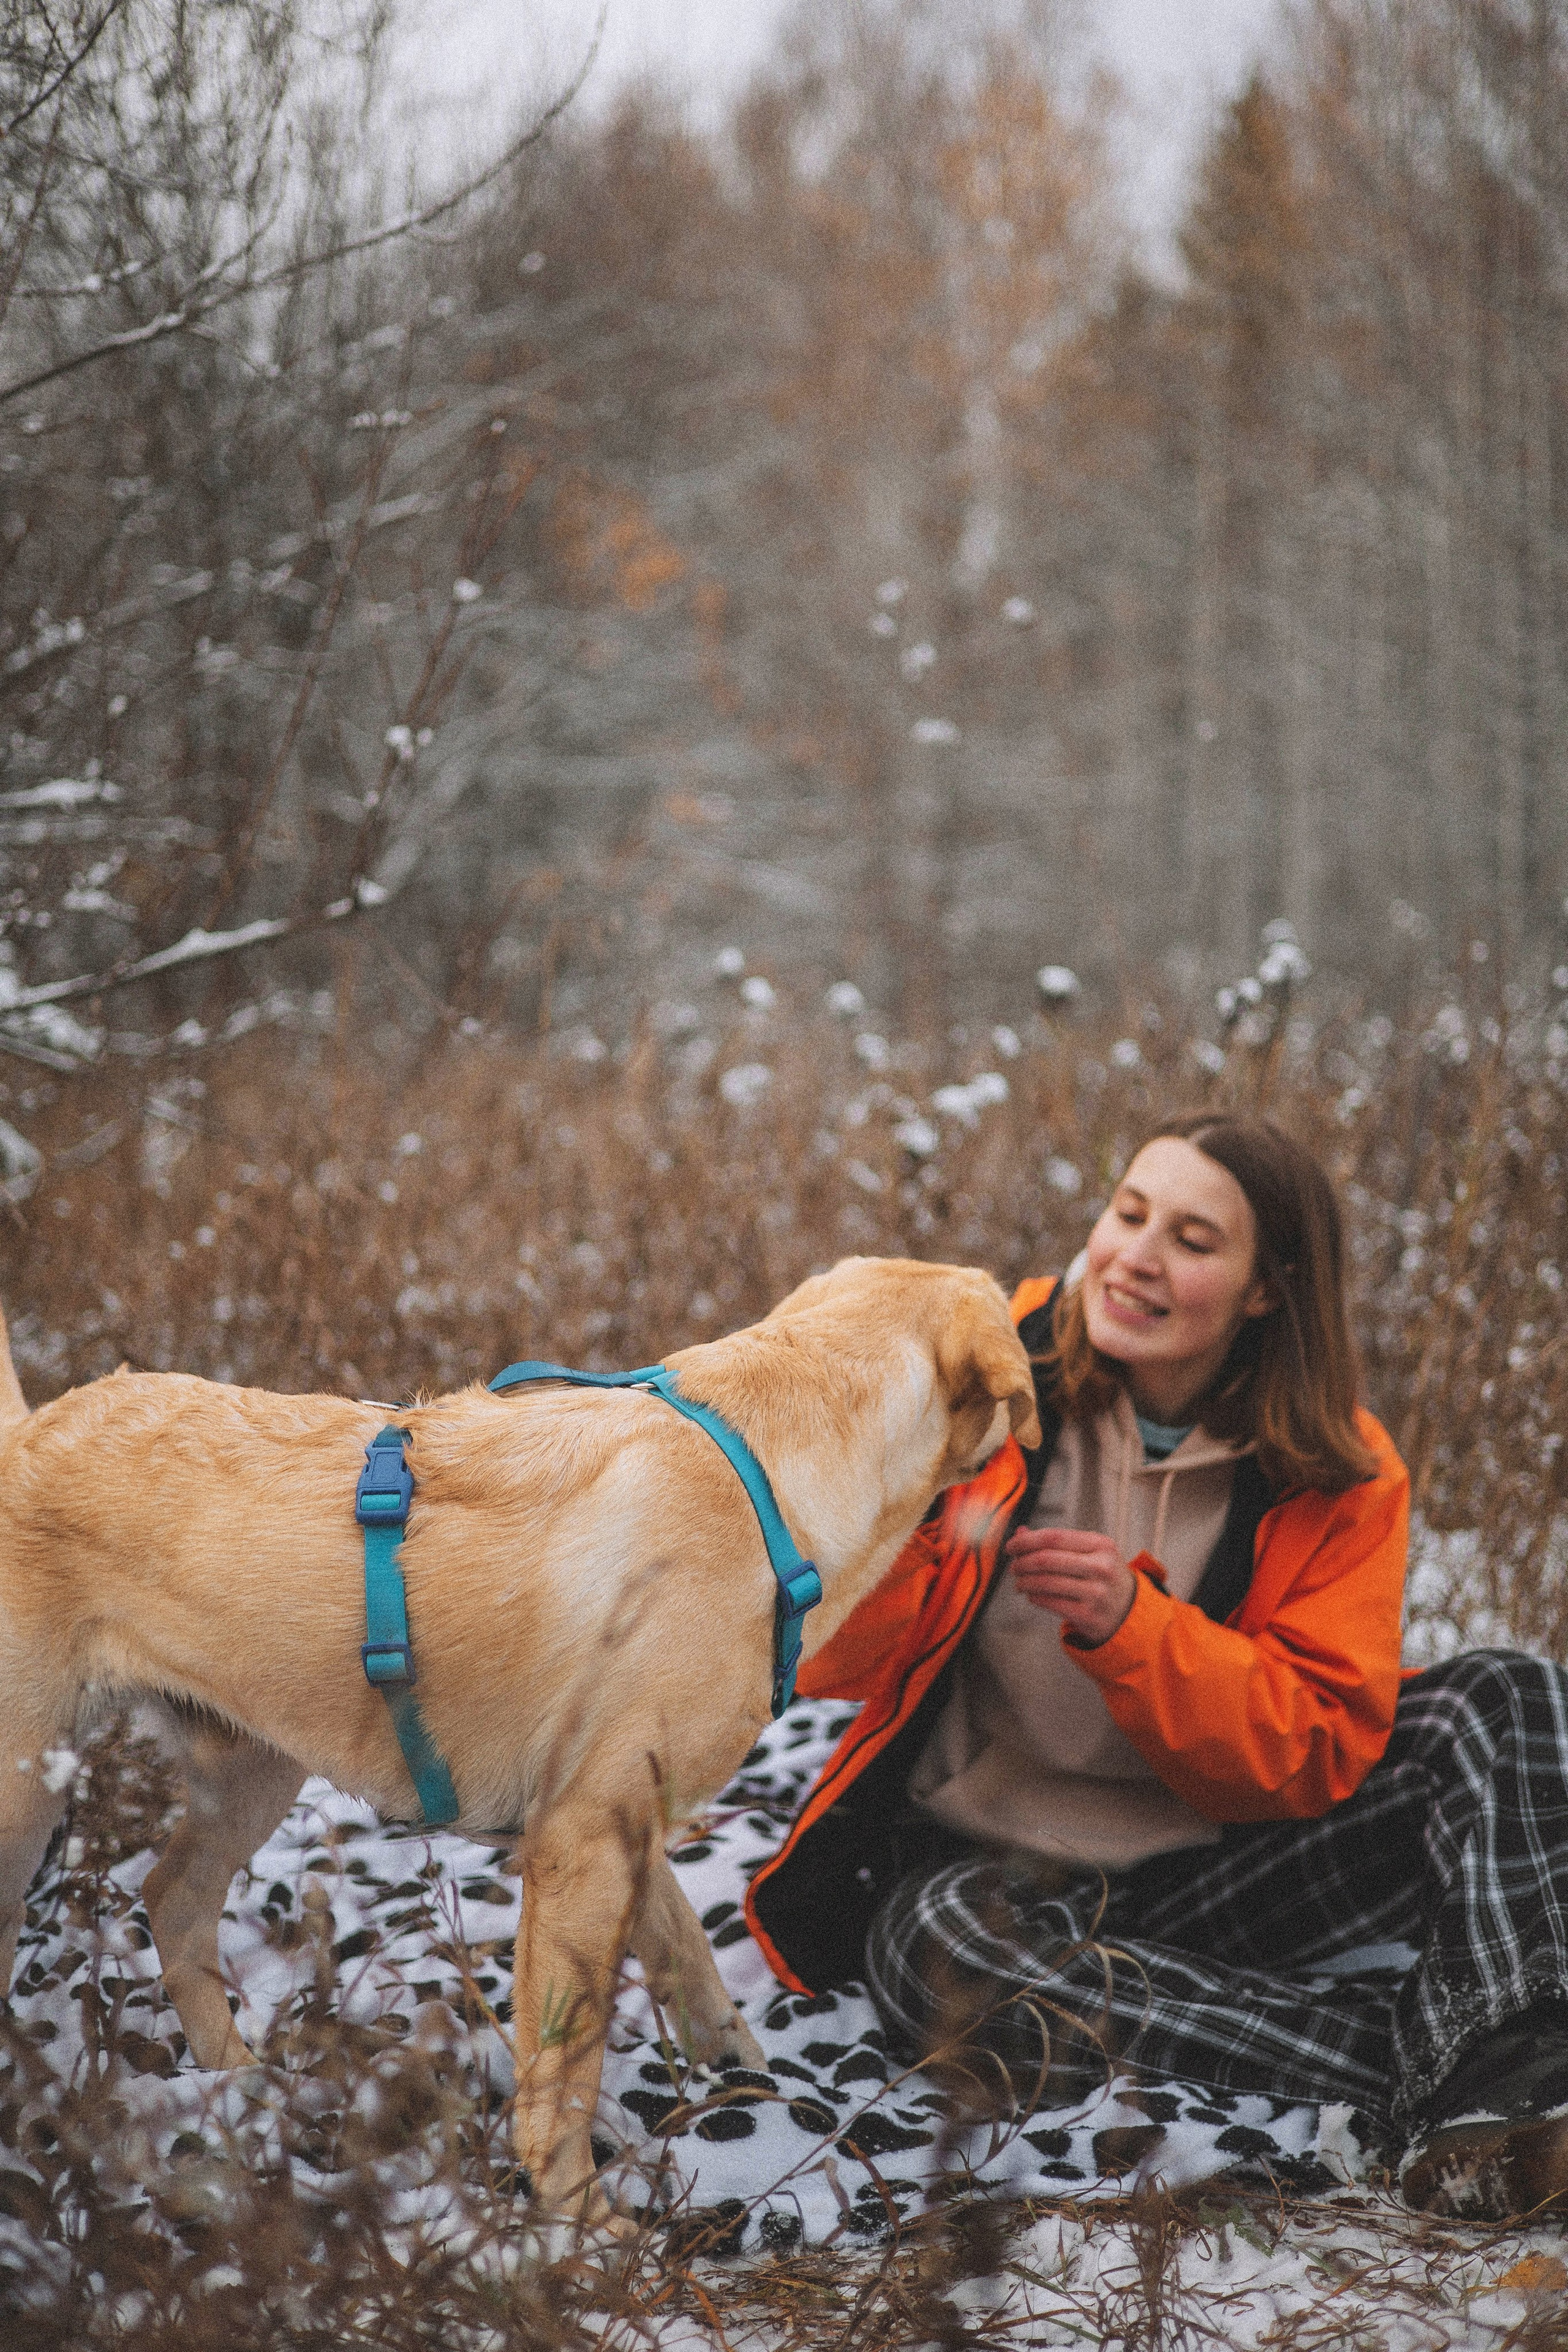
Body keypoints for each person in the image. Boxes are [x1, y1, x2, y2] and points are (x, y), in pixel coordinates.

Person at [745, 1113, 1568, 2221]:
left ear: (1266, 1291)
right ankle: (1469, 2069)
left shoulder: (1341, 1470)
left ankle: (1505, 2050)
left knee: (1507, 1697)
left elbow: (1314, 1752)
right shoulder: (982, 1378)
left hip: (1216, 1871)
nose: (1134, 1255)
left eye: (1191, 1239)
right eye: (1128, 1214)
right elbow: (825, 1653)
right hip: (993, 1880)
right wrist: (925, 1532)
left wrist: (1141, 1630)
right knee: (942, 1959)